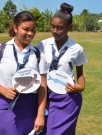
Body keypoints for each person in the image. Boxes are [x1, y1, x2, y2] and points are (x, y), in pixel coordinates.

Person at [0, 11, 47, 135]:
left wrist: (40, 116)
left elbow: (43, 87)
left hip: (30, 106)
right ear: (15, 28)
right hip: (6, 105)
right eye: (26, 29)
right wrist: (4, 91)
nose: (30, 33)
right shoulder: (0, 49)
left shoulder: (38, 54)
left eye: (33, 30)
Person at [37, 3, 87, 135]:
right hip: (44, 94)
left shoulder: (77, 49)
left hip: (67, 98)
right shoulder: (42, 45)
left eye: (60, 28)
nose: (55, 31)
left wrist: (80, 87)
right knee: (42, 130)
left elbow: (80, 74)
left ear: (69, 27)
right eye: (53, 26)